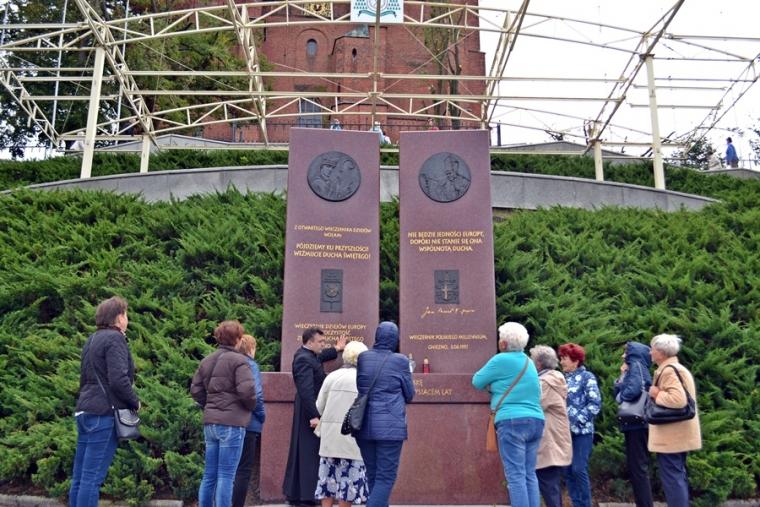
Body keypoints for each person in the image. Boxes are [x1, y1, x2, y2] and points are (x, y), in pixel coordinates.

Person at [69, 296, 140, 507]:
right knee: (92, 479)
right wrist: (134, 402)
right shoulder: (115, 339)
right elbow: (118, 379)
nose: (127, 319)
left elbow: (84, 379)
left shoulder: (92, 339)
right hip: (103, 414)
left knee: (80, 478)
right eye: (126, 314)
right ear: (119, 317)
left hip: (85, 411)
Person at [473, 322, 544, 507]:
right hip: (536, 420)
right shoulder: (529, 362)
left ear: (503, 343)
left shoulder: (500, 360)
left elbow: (477, 381)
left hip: (512, 421)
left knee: (515, 475)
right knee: (529, 474)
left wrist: (493, 386)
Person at [191, 320, 258, 507]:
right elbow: (248, 392)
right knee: (226, 475)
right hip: (232, 423)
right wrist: (249, 407)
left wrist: (209, 404)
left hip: (210, 423)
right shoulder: (240, 361)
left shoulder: (207, 360)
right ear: (238, 339)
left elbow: (195, 390)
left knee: (209, 474)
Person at [283, 328, 347, 506]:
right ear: (309, 342)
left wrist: (336, 349)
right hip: (308, 411)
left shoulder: (307, 355)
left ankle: (300, 494)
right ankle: (306, 496)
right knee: (308, 452)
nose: (322, 344)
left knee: (307, 451)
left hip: (309, 409)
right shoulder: (303, 359)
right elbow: (305, 390)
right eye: (320, 342)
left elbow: (318, 358)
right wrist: (314, 416)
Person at [355, 322, 414, 507]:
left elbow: (360, 387)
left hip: (364, 424)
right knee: (386, 477)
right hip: (390, 427)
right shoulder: (401, 361)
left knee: (373, 475)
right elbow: (410, 394)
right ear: (395, 339)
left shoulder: (363, 358)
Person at [647, 334, 701, 507]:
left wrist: (656, 393)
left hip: (671, 437)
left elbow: (678, 400)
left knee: (673, 480)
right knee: (677, 476)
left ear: (661, 352)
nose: (650, 352)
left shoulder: (669, 371)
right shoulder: (676, 368)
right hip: (677, 435)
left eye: (653, 349)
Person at [314, 341, 370, 507]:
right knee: (348, 485)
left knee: (327, 482)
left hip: (330, 439)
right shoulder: (364, 380)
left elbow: (319, 407)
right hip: (352, 440)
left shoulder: (331, 376)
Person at [558, 343, 601, 507]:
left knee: (578, 468)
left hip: (583, 432)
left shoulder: (587, 377)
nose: (561, 361)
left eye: (565, 358)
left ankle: (585, 504)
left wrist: (576, 419)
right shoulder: (561, 378)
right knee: (567, 470)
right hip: (564, 433)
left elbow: (595, 404)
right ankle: (576, 503)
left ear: (576, 361)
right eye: (561, 358)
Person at [529, 345, 571, 507]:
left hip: (548, 439)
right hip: (553, 438)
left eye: (532, 360)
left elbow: (533, 404)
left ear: (539, 363)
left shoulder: (545, 383)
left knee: (548, 484)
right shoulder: (554, 378)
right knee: (549, 484)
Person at [614, 342, 654, 507]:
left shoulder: (636, 366)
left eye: (626, 352)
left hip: (637, 424)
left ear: (633, 353)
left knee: (638, 468)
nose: (623, 356)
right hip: (637, 423)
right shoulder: (638, 367)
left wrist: (621, 394)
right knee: (638, 467)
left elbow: (632, 390)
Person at [231, 334, 266, 507]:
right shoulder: (250, 365)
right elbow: (256, 394)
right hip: (248, 423)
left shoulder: (229, 364)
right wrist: (262, 415)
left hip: (229, 422)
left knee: (227, 469)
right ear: (251, 348)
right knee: (243, 470)